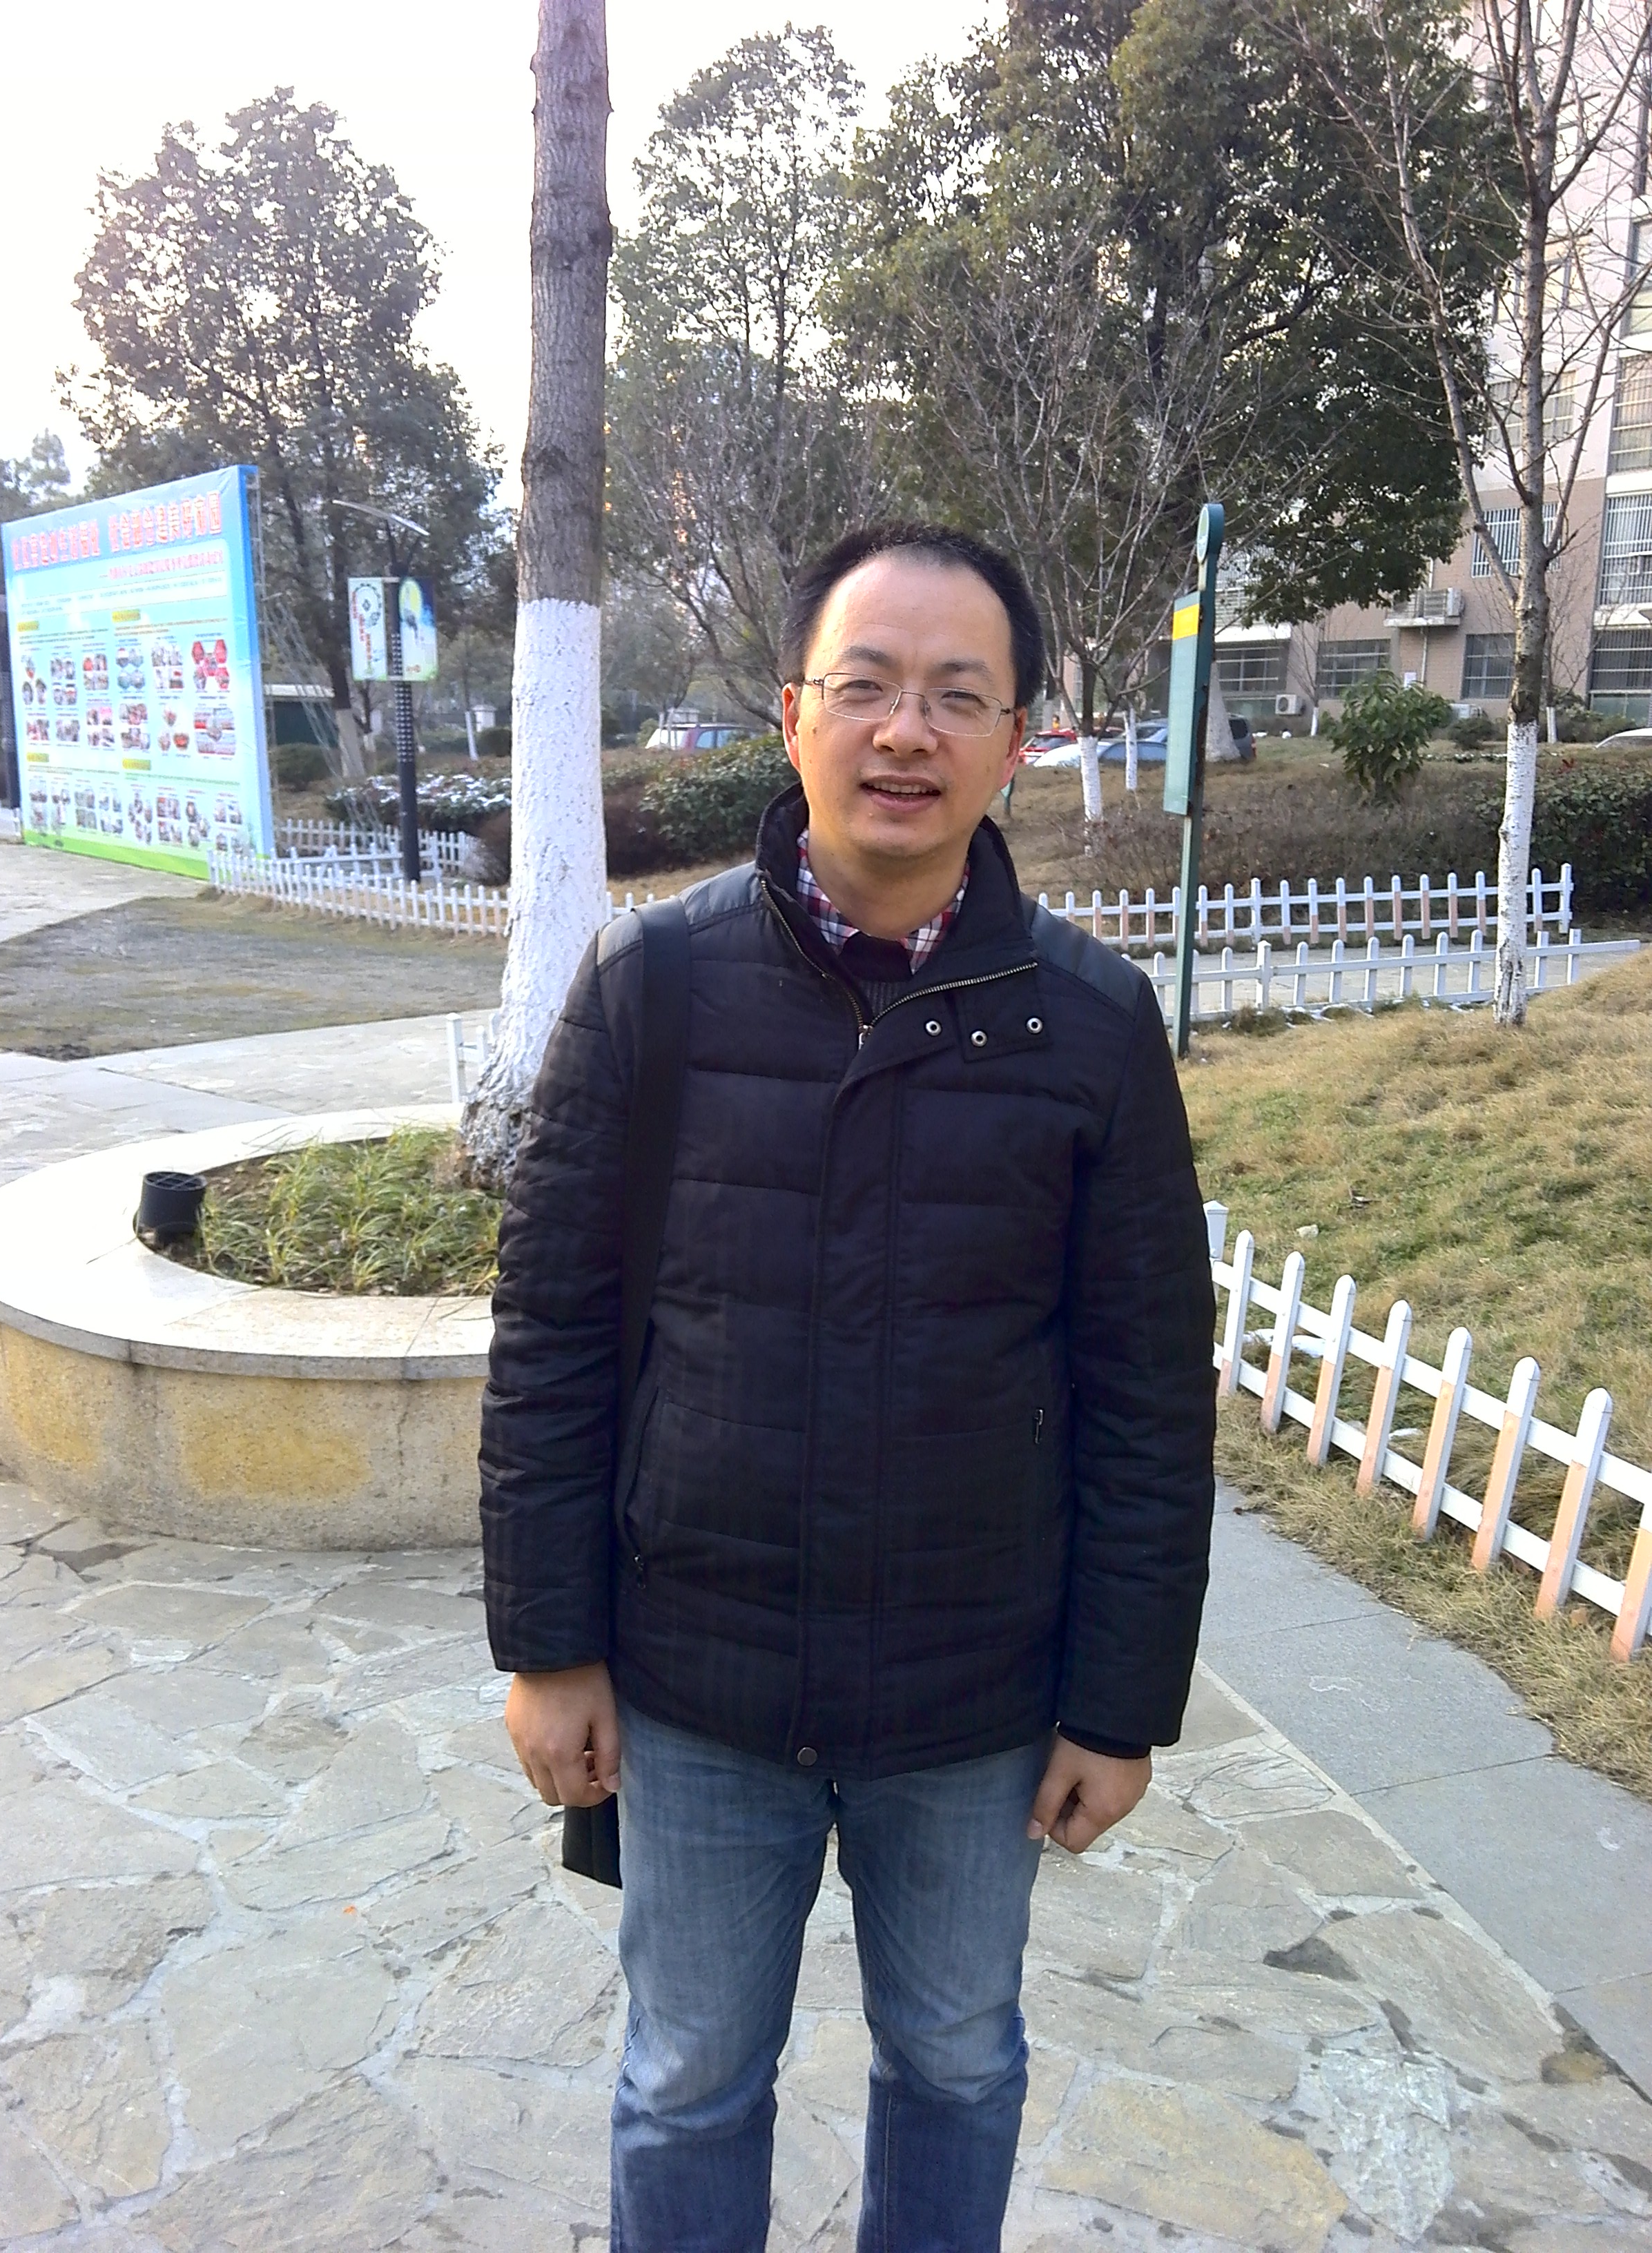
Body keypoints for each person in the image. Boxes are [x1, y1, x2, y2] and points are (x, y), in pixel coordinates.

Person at [481, 522, 1216, 2251]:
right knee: (687, 2076)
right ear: (794, 712)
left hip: (973, 1697)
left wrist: (1118, 1706)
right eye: (868, 685)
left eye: (958, 696)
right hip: (699, 1679)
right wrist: (550, 1647)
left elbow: (1147, 1400)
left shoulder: (1093, 1025)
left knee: (956, 2062)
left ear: (1016, 741)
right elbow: (556, 1341)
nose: (907, 731)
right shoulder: (657, 986)